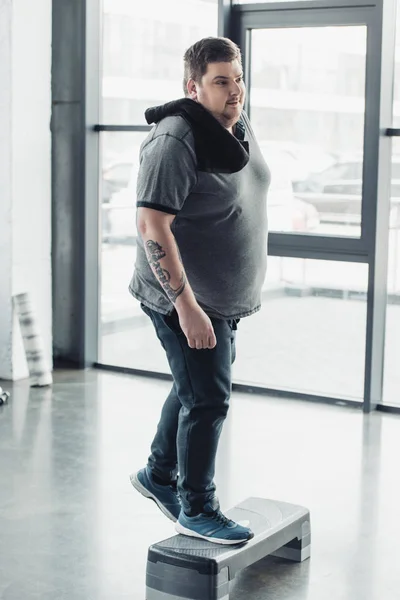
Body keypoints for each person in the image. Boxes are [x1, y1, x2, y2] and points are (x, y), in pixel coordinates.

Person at [129, 36, 270, 545]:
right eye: (221, 82)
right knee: (208, 400)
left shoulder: (234, 124)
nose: (236, 92)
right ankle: (197, 507)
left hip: (222, 298)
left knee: (194, 386)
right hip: (186, 300)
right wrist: (186, 308)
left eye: (239, 79)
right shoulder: (175, 140)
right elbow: (152, 227)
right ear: (192, 87)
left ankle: (158, 474)